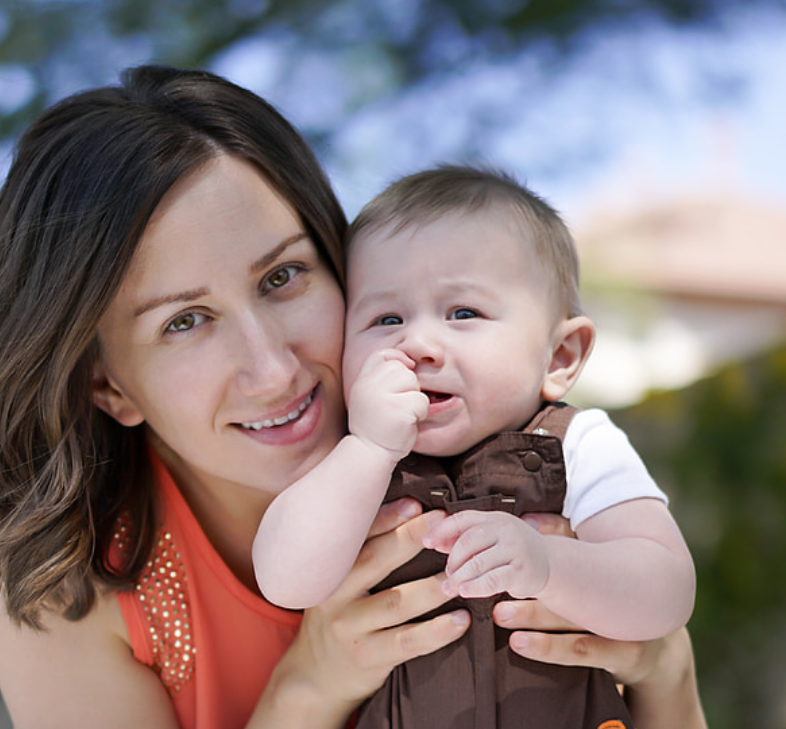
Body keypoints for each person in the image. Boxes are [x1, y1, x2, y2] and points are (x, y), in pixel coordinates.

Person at [0, 65, 707, 729]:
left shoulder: (492, 437)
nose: (274, 368)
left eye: (282, 277)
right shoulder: (59, 565)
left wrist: (666, 670)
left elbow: (655, 642)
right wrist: (310, 686)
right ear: (108, 384)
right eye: (185, 321)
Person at [252, 166, 696, 728]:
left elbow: (667, 590)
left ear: (559, 357)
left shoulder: (579, 443)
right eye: (386, 318)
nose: (417, 343)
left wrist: (549, 565)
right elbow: (286, 580)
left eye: (463, 313)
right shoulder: (355, 459)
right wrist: (366, 448)